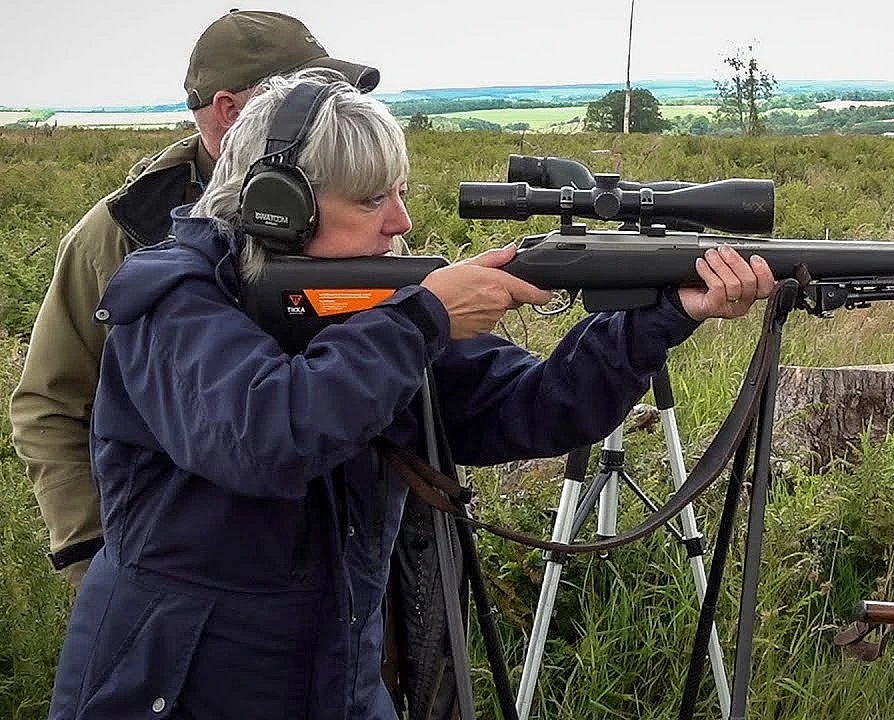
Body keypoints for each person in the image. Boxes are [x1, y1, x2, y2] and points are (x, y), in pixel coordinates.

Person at [47, 72, 775, 719]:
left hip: (337, 672)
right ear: (277, 207)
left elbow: (538, 406)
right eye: (370, 200)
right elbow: (265, 438)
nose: (399, 222)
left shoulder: (370, 303)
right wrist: (424, 317)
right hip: (176, 684)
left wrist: (660, 317)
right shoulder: (172, 299)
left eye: (401, 193)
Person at [9, 8, 380, 587]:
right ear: (230, 111)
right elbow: (51, 406)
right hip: (192, 578)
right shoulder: (122, 233)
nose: (329, 114)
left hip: (351, 557)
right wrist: (94, 556)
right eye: (302, 95)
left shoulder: (354, 209)